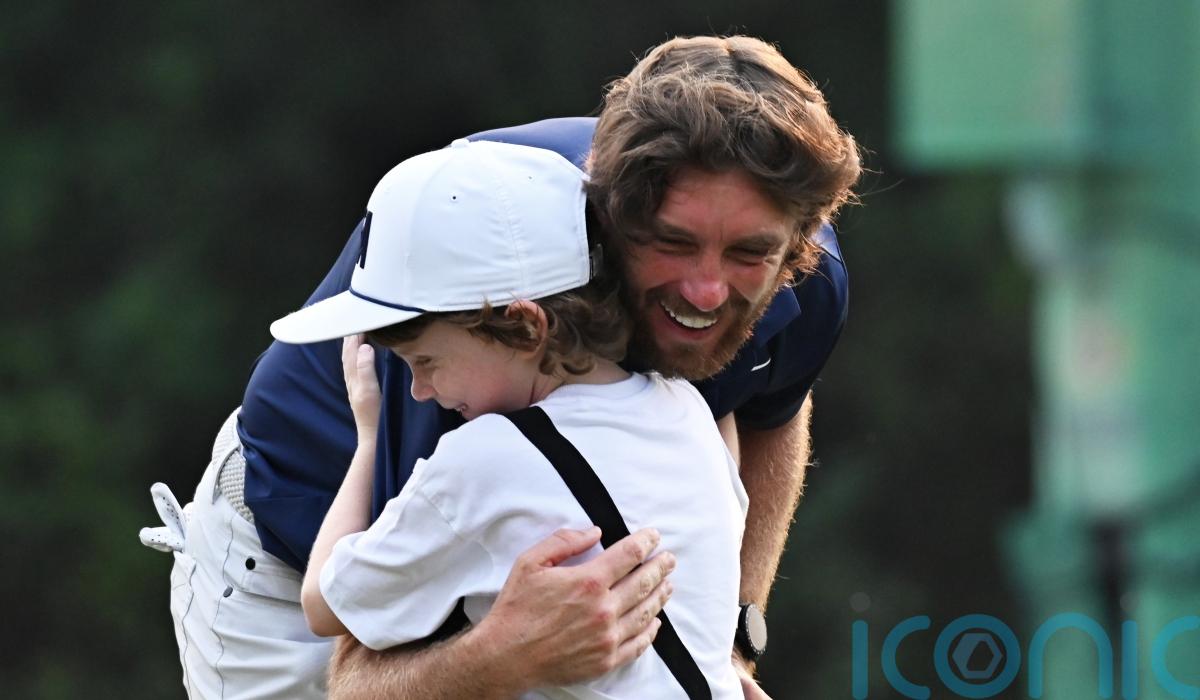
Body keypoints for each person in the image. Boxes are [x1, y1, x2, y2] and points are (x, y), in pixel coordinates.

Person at [141, 33, 859, 700]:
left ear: (797, 244)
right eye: (673, 243)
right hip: (294, 571)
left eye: (749, 253)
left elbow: (764, 404)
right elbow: (361, 675)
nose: (706, 290)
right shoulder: (474, 327)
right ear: (609, 223)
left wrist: (727, 643)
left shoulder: (807, 280)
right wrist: (506, 652)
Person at [267, 138, 748, 698]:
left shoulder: (483, 460)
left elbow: (323, 604)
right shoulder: (684, 407)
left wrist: (370, 439)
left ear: (525, 328)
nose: (419, 391)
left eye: (426, 361)